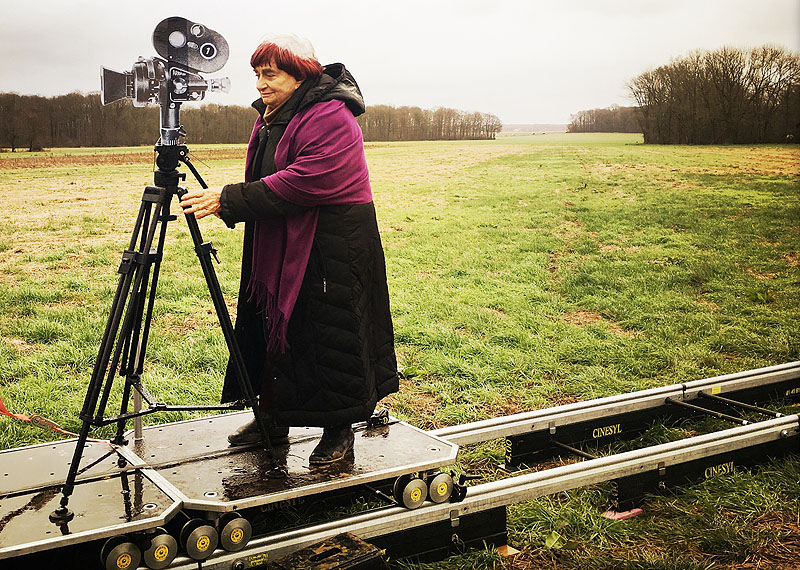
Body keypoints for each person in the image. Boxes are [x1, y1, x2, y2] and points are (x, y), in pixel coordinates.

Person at [180, 35, 398, 465]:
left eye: (270, 74)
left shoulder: (331, 115)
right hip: (281, 236)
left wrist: (230, 200)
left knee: (329, 332)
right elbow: (271, 172)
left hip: (332, 244)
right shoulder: (273, 115)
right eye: (257, 74)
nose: (260, 83)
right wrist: (238, 199)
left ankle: (339, 428)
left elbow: (308, 179)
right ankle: (274, 416)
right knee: (274, 327)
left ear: (300, 74)